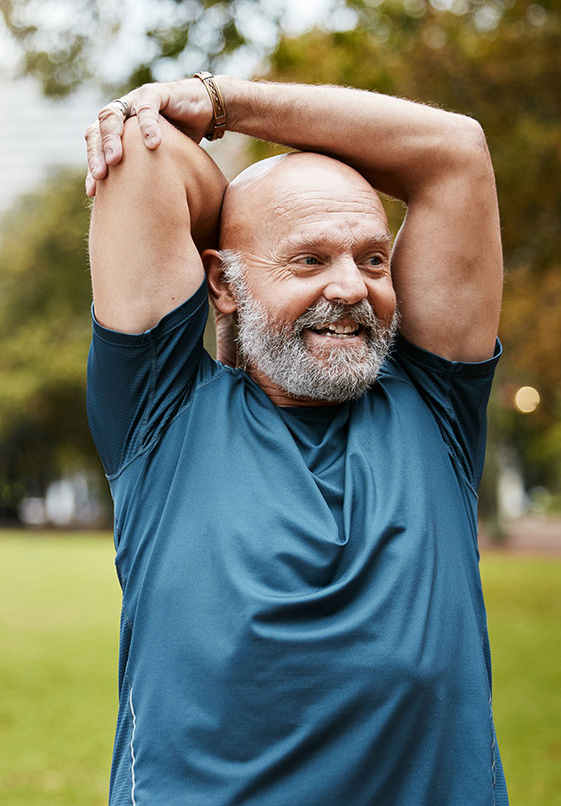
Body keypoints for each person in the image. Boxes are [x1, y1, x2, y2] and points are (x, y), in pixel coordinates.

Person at [85, 73, 508, 806]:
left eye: (372, 258)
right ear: (221, 283)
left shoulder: (434, 401)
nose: (350, 287)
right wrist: (242, 218)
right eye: (308, 259)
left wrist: (221, 104)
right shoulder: (163, 416)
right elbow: (144, 154)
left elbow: (454, 151)